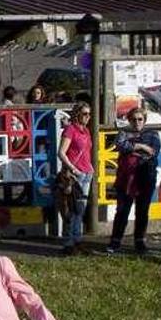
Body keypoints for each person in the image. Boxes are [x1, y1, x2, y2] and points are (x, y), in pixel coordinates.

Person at [107, 109, 161, 255]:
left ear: (144, 120)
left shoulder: (152, 134)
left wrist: (131, 149)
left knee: (142, 211)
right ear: (129, 120)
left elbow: (153, 151)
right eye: (134, 119)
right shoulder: (123, 132)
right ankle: (115, 240)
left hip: (145, 177)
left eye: (140, 119)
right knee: (122, 211)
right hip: (126, 178)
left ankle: (139, 241)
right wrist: (141, 147)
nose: (137, 122)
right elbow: (119, 145)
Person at [57, 102, 94, 255]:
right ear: (77, 114)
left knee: (80, 210)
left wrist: (90, 168)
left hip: (87, 173)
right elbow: (61, 152)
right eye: (85, 114)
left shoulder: (86, 131)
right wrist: (73, 168)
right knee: (71, 209)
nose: (88, 117)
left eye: (89, 114)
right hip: (75, 175)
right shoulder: (70, 130)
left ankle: (77, 240)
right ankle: (69, 243)